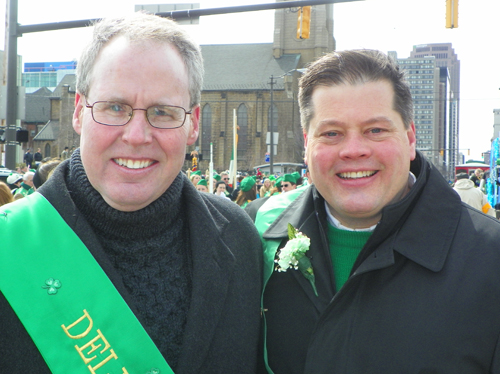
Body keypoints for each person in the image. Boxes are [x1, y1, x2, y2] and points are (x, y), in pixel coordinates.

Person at [0, 12, 262, 373]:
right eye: (115, 107)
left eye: (162, 112)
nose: (137, 135)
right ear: (79, 111)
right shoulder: (8, 244)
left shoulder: (239, 237)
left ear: (193, 124)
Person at [253, 49, 500, 374]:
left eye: (376, 130)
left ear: (410, 138)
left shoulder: (489, 257)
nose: (354, 150)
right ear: (306, 143)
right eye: (331, 133)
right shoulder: (259, 235)